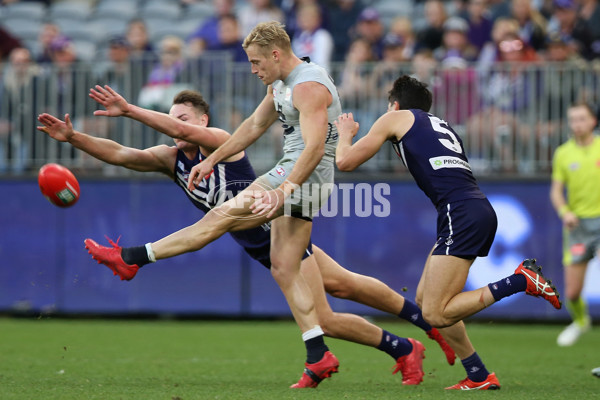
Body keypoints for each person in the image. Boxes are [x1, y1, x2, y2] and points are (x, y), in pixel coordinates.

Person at [80, 23, 443, 388]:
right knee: (298, 275)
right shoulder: (280, 85)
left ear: (275, 53)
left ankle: (132, 258)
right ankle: (327, 354)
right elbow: (254, 124)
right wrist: (211, 160)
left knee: (221, 218)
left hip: (302, 175)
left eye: (256, 62)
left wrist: (283, 189)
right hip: (295, 175)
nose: (253, 69)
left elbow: (315, 147)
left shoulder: (308, 85)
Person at [334, 74, 563, 390]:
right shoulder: (439, 125)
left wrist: (345, 133)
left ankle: (520, 280)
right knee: (425, 299)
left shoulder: (396, 117)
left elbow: (344, 161)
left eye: (389, 107)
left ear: (395, 105)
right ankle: (479, 374)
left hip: (461, 213)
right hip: (469, 209)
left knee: (436, 313)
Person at [550, 102, 599, 347]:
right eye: (573, 119)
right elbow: (556, 191)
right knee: (572, 293)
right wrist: (565, 211)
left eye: (582, 118)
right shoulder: (563, 153)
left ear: (593, 121)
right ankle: (581, 321)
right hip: (577, 225)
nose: (577, 124)